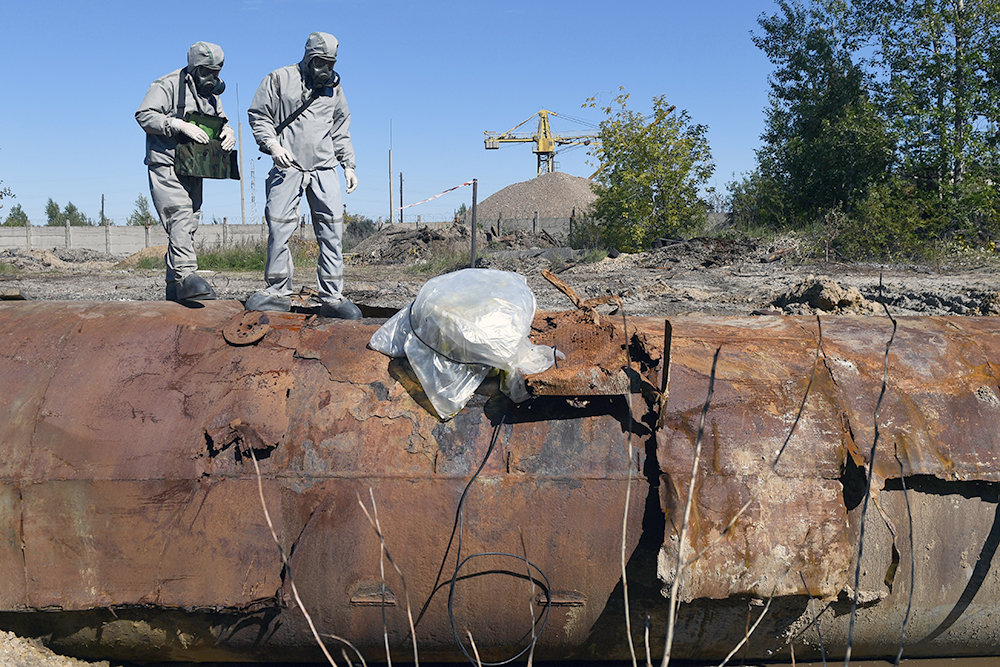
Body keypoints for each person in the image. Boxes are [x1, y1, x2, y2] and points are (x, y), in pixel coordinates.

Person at [246, 31, 361, 319]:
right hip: (288, 167)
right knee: (280, 228)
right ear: (308, 57)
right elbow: (259, 115)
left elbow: (340, 128)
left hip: (324, 168)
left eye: (330, 63)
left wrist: (348, 164)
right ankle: (277, 291)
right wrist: (271, 145)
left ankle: (333, 297)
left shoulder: (334, 89)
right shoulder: (279, 79)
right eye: (319, 62)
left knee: (332, 231)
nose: (325, 69)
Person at [136, 41, 235, 302]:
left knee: (189, 222)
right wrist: (175, 124)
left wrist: (228, 132)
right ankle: (187, 276)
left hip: (194, 166)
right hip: (166, 162)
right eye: (206, 72)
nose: (211, 79)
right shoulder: (167, 85)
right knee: (179, 215)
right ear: (193, 68)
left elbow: (220, 120)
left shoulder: (211, 95)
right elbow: (144, 115)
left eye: (216, 72)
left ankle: (174, 287)